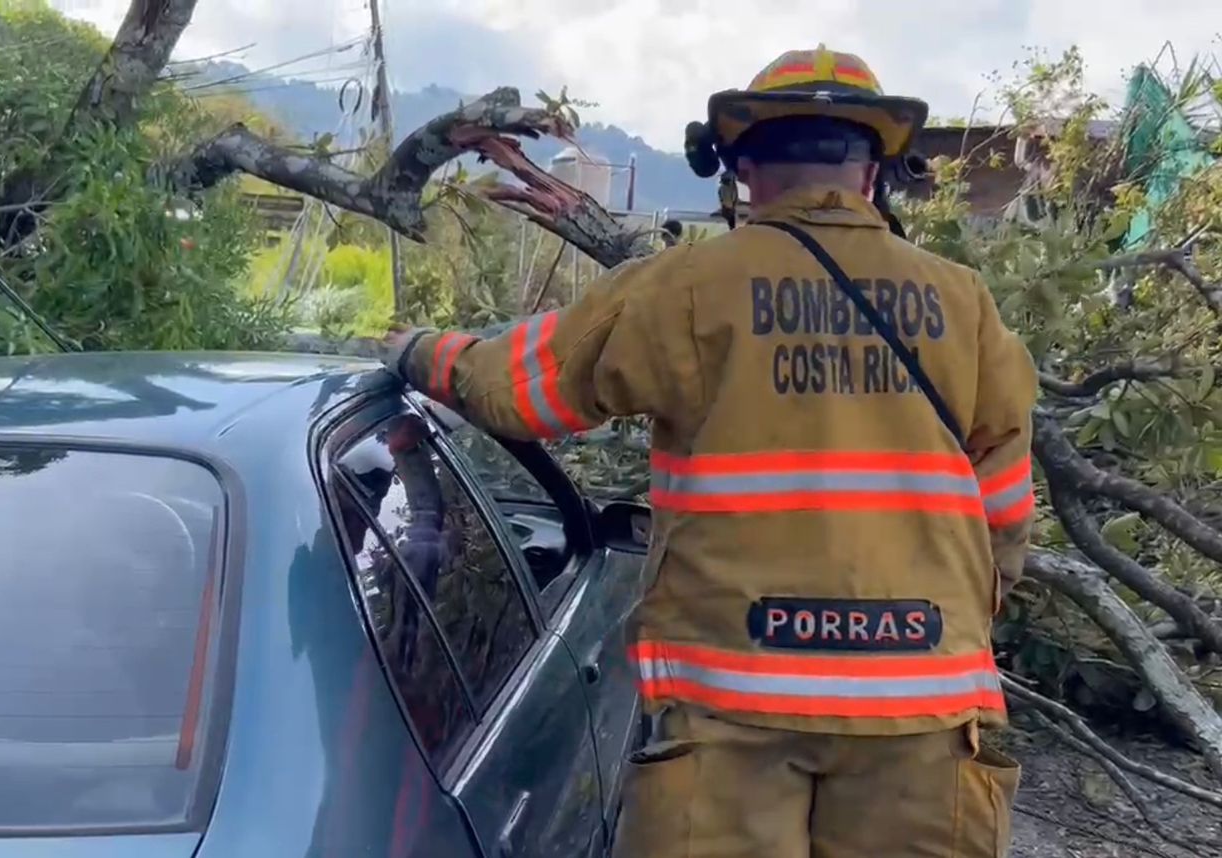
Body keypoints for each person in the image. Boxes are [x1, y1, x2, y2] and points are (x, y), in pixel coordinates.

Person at [382, 45, 1038, 858]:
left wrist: (418, 351)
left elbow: (524, 392)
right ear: (875, 172)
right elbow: (1005, 516)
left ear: (740, 168)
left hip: (732, 711)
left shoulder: (688, 287)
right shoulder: (963, 304)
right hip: (923, 715)